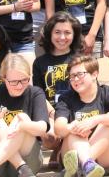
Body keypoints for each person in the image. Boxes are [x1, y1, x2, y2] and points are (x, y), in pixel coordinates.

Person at [0, 54, 49, 177]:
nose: (19, 86)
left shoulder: (35, 93)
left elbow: (42, 128)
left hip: (28, 158)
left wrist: (22, 126)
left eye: (24, 80)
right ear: (3, 78)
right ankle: (21, 166)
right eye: (13, 82)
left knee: (22, 118)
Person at [54, 55, 109, 177]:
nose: (75, 79)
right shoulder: (66, 98)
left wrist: (96, 120)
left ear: (94, 74)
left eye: (80, 74)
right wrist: (73, 127)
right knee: (73, 129)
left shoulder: (107, 92)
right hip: (76, 147)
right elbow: (59, 129)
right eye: (72, 76)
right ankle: (88, 165)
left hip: (107, 157)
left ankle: (83, 165)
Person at [32, 12, 82, 151]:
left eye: (67, 33)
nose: (62, 37)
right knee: (50, 137)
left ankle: (62, 153)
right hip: (51, 112)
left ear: (74, 35)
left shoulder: (81, 59)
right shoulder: (39, 62)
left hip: (77, 111)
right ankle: (59, 150)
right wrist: (53, 113)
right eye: (57, 32)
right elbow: (39, 94)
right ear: (50, 34)